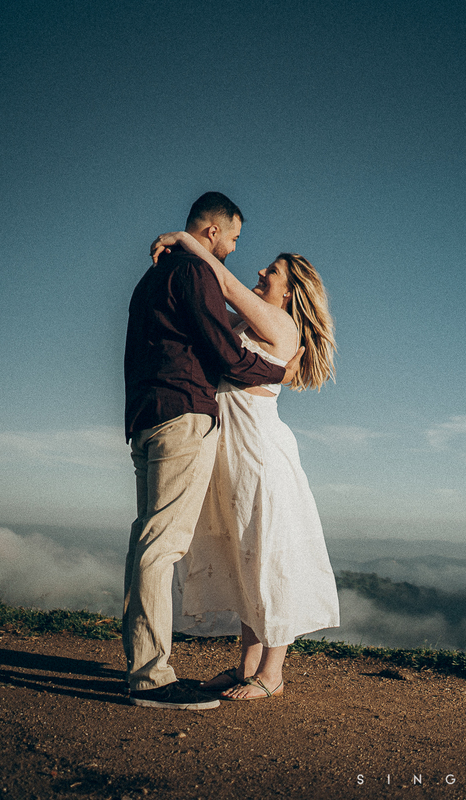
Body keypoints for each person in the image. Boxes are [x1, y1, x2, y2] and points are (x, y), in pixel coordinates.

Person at [124, 192, 303, 710]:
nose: (239, 252)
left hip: (148, 416)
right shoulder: (195, 272)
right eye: (235, 238)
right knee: (161, 546)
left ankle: (149, 666)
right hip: (183, 414)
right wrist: (275, 372)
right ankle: (151, 676)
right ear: (213, 232)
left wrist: (183, 241)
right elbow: (225, 352)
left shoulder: (151, 278)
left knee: (149, 541)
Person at [150, 230, 340, 702]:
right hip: (231, 452)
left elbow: (225, 284)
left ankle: (273, 674)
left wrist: (187, 240)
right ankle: (247, 667)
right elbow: (208, 305)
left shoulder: (281, 325)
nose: (260, 271)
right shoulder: (245, 324)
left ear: (289, 291)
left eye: (272, 271)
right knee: (245, 558)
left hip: (259, 453)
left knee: (270, 556)